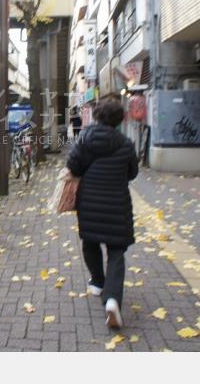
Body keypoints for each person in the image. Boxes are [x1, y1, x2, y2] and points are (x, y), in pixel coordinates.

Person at [65, 97, 138, 329]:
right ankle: (113, 299)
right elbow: (132, 173)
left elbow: (73, 166)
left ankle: (97, 281)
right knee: (116, 251)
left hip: (89, 202)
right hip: (117, 203)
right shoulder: (126, 144)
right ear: (119, 120)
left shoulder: (85, 139)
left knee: (91, 240)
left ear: (96, 116)